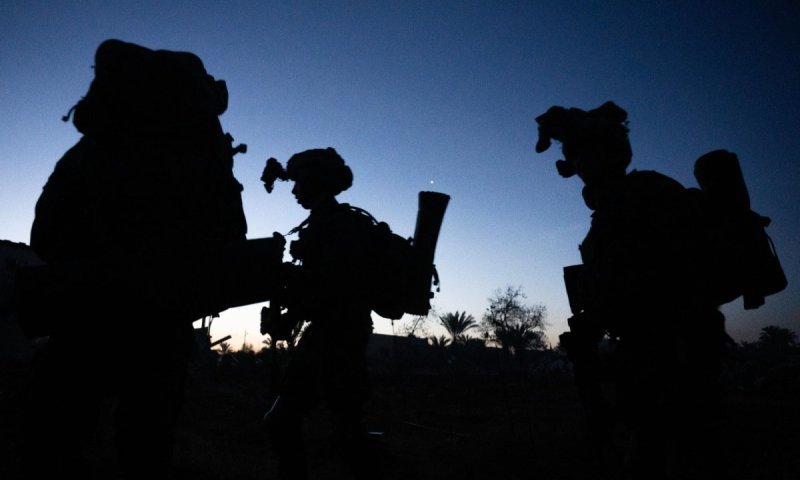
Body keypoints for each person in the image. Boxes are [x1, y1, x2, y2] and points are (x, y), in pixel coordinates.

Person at [14, 39, 250, 480]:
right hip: (163, 325)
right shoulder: (200, 156)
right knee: (146, 447)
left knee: (53, 444)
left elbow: (43, 235)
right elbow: (231, 236)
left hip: (84, 317)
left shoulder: (90, 152)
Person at [534, 102, 731, 479]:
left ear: (609, 154)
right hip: (653, 355)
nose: (581, 166)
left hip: (676, 353)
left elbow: (650, 281)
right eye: (576, 157)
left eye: (585, 155)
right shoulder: (619, 205)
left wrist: (598, 321)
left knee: (679, 455)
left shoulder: (641, 196)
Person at [260, 148, 380, 480]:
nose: (295, 191)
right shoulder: (331, 223)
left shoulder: (335, 225)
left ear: (316, 183)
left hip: (336, 338)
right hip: (336, 334)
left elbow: (329, 289)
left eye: (299, 183)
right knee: (344, 429)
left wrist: (288, 298)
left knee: (318, 426)